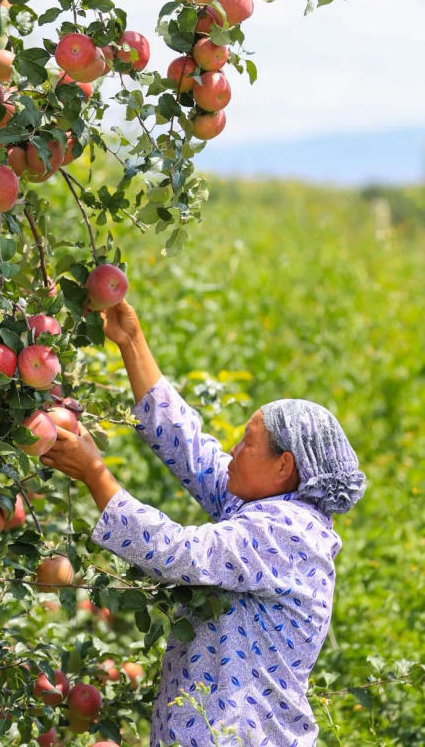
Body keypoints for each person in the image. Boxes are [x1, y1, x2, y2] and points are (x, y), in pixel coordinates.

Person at [40, 299, 367, 747]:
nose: (232, 449)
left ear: (283, 466)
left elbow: (177, 552)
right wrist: (131, 341)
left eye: (248, 443)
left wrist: (97, 474)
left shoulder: (289, 533)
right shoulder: (258, 503)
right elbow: (189, 445)